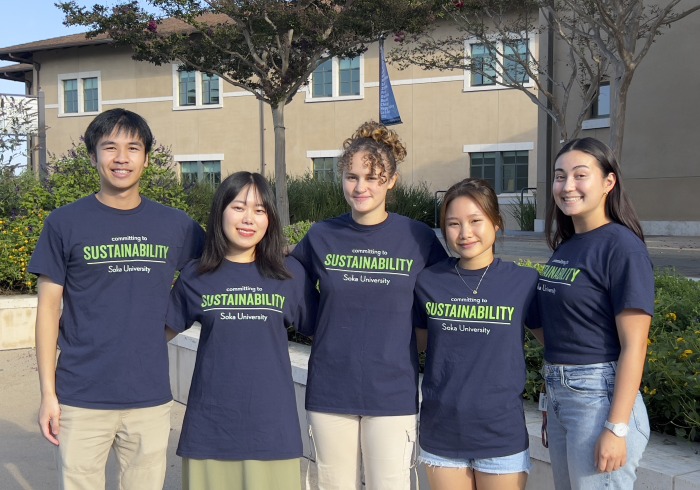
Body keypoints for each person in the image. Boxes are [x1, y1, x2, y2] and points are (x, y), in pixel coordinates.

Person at [29, 108, 205, 490]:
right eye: (109, 148)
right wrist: (48, 394)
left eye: (133, 148)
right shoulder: (64, 223)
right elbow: (48, 310)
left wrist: (166, 329)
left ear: (146, 157)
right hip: (80, 395)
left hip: (149, 396)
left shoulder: (177, 225)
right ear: (93, 156)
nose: (121, 158)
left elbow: (213, 277)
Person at [291, 121, 448, 489]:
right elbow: (289, 280)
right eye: (352, 176)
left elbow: (445, 295)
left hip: (392, 391)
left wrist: (417, 340)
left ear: (391, 180)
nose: (361, 187)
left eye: (373, 177)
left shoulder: (417, 237)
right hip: (331, 387)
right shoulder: (321, 235)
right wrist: (316, 325)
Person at [165, 172, 318, 490]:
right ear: (220, 211)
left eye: (260, 210)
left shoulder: (289, 275)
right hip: (210, 429)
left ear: (270, 219)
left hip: (272, 430)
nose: (249, 218)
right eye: (239, 207)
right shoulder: (197, 275)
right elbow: (155, 336)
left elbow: (328, 335)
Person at [538, 137, 654, 489]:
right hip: (562, 396)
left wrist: (617, 427)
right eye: (560, 176)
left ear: (608, 182)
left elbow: (635, 345)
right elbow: (561, 330)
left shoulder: (622, 247)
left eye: (579, 175)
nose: (567, 185)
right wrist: (549, 399)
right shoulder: (567, 247)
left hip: (599, 400)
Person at [413, 178, 539, 490]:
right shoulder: (428, 282)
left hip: (501, 435)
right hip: (442, 433)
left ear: (496, 223)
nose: (465, 233)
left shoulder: (523, 282)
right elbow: (414, 347)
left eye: (475, 221)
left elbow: (559, 347)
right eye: (453, 224)